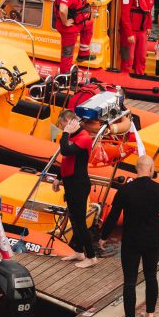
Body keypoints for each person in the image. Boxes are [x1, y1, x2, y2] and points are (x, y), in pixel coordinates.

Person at [97, 156, 159, 317]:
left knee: (130, 281)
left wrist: (104, 236)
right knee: (151, 276)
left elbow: (113, 216)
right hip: (152, 239)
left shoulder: (125, 190)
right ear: (152, 169)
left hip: (131, 239)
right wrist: (158, 219)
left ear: (136, 169)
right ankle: (150, 314)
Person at [55, 109, 99, 268]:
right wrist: (58, 178)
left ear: (68, 122)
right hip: (70, 182)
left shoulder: (84, 138)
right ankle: (79, 251)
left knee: (80, 221)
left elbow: (65, 150)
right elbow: (67, 159)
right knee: (73, 218)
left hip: (79, 184)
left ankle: (92, 256)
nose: (61, 128)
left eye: (62, 124)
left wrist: (65, 133)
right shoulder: (74, 136)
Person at [54, 0, 96, 74]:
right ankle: (64, 75)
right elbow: (63, 10)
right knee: (67, 53)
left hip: (79, 22)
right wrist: (65, 22)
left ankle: (83, 53)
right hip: (69, 28)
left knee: (89, 24)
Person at [118, 0, 157, 76]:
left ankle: (139, 77)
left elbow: (149, 10)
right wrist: (129, 34)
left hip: (142, 31)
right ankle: (124, 78)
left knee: (141, 58)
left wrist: (149, 26)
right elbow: (125, 15)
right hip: (131, 31)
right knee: (128, 59)